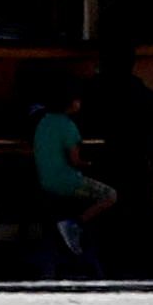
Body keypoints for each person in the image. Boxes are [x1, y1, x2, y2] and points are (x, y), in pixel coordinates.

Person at [26, 75, 119, 274]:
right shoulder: (68, 127)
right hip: (67, 182)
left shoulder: (43, 123)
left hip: (45, 181)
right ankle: (75, 224)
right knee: (110, 195)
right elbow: (75, 161)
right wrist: (92, 164)